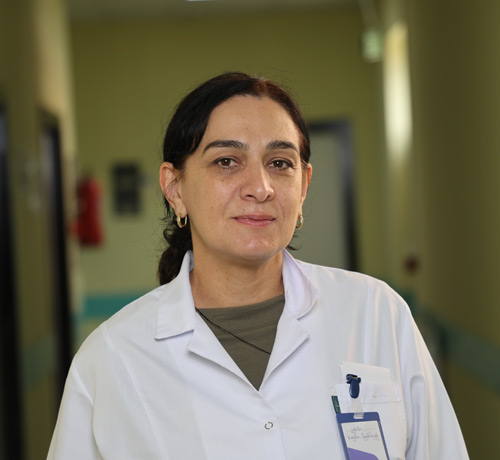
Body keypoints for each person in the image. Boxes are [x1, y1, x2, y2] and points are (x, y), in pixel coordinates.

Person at [47, 72, 468, 459]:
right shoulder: (111, 360)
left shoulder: (376, 315)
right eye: (227, 161)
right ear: (175, 189)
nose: (260, 187)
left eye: (279, 163)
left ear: (303, 186)